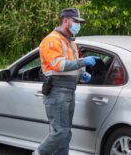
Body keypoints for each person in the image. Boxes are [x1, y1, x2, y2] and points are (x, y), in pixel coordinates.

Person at [33, 8, 99, 155]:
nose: (78, 25)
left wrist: (82, 74)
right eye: (76, 22)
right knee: (60, 133)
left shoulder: (69, 41)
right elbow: (60, 65)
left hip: (69, 90)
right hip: (57, 90)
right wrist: (83, 62)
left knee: (66, 134)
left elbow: (72, 64)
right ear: (65, 21)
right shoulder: (52, 40)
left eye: (80, 22)